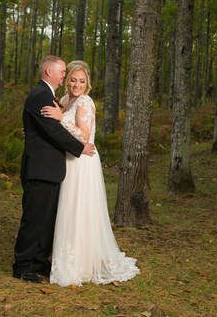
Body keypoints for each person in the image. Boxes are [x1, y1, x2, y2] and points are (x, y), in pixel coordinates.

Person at [41, 60, 139, 287]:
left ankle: (82, 264)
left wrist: (61, 118)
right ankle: (60, 257)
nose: (76, 85)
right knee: (66, 208)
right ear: (66, 81)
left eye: (81, 81)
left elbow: (84, 137)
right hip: (67, 160)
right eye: (73, 80)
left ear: (88, 84)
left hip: (82, 162)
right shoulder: (65, 100)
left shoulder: (86, 102)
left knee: (79, 209)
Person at [13, 56, 96, 283]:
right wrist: (80, 148)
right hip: (40, 167)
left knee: (46, 218)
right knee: (34, 218)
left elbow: (54, 128)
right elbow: (53, 130)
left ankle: (39, 261)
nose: (64, 77)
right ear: (49, 72)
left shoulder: (51, 96)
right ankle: (22, 266)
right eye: (62, 73)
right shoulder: (41, 96)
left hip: (49, 168)